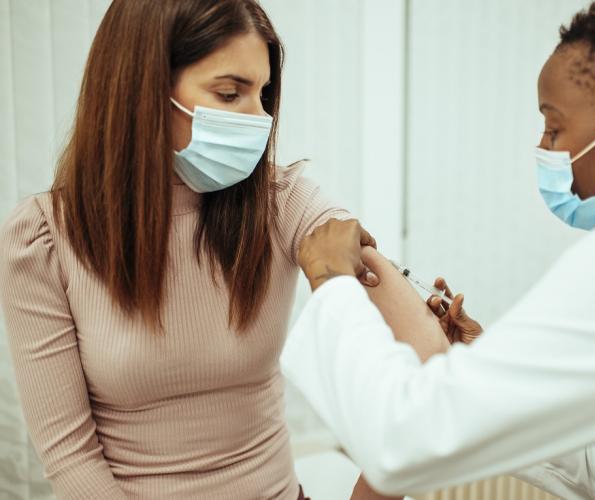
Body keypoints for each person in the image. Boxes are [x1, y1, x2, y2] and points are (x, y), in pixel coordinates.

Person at [281, 0, 595, 499]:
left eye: (555, 126)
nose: (543, 147)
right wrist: (475, 370)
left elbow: (403, 444)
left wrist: (331, 281)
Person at [0, 1, 418, 499]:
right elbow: (70, 458)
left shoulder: (282, 203)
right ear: (143, 87)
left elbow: (422, 343)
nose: (259, 120)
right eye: (229, 93)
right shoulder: (44, 239)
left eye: (263, 95)